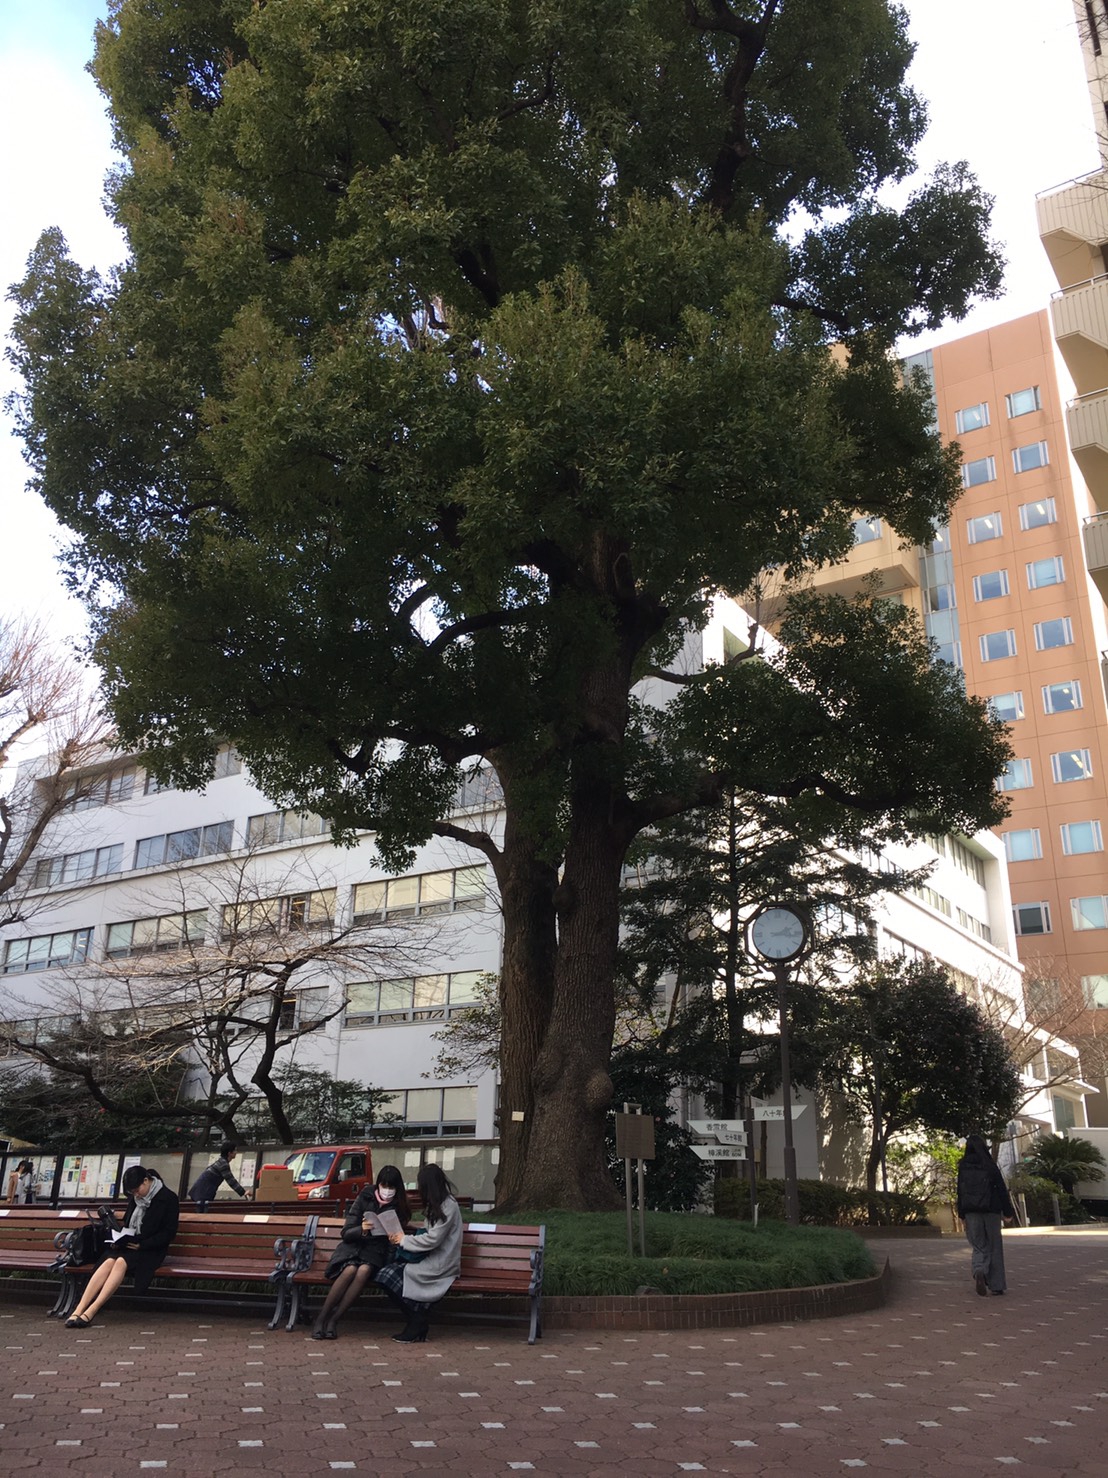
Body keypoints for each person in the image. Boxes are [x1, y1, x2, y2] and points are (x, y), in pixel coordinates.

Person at [64, 1165, 180, 1328]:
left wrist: (143, 1245)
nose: (136, 1194)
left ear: (146, 1181)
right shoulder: (136, 1199)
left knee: (119, 1262)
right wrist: (118, 1239)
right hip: (129, 1245)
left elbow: (168, 1233)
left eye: (137, 1190)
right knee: (109, 1261)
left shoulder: (168, 1198)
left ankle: (92, 1310)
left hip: (150, 1250)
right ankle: (79, 1309)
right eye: (132, 1192)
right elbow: (127, 1223)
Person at [310, 1164, 411, 1339]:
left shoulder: (399, 1206)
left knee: (363, 1270)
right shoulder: (365, 1196)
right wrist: (362, 1229)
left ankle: (334, 1320)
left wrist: (386, 1262)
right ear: (378, 1184)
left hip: (375, 1252)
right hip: (353, 1247)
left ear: (397, 1188)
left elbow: (393, 1244)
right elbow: (346, 1233)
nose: (387, 1191)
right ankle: (321, 1319)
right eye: (384, 1186)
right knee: (350, 1270)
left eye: (391, 1187)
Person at [377, 1162, 463, 1343]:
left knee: (388, 1276)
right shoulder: (438, 1204)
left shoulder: (449, 1206)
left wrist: (403, 1240)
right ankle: (417, 1316)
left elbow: (433, 1239)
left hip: (441, 1263)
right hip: (431, 1258)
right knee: (385, 1274)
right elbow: (429, 1234)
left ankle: (417, 1318)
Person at [957, 1132, 1017, 1296]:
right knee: (994, 1246)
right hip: (991, 1210)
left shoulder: (963, 1166)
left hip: (971, 1211)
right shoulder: (989, 1165)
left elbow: (960, 1192)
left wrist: (961, 1214)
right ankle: (997, 1285)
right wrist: (1008, 1211)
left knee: (978, 1245)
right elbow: (1001, 1189)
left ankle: (979, 1271)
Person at [188, 1142, 249, 1210]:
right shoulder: (223, 1164)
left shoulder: (221, 1162)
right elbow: (231, 1180)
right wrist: (243, 1192)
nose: (236, 1152)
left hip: (201, 1192)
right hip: (203, 1193)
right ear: (229, 1153)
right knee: (202, 1215)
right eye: (235, 1150)